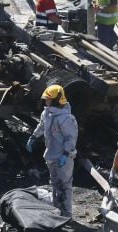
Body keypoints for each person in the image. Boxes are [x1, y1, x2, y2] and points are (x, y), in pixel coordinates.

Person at [26, 85, 78, 218]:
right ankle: (57, 211)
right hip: (51, 155)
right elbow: (42, 125)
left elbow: (71, 138)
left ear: (56, 100)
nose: (46, 101)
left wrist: (66, 154)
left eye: (48, 99)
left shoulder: (66, 118)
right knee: (55, 184)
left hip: (63, 157)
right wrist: (34, 136)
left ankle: (66, 214)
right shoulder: (47, 113)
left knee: (65, 185)